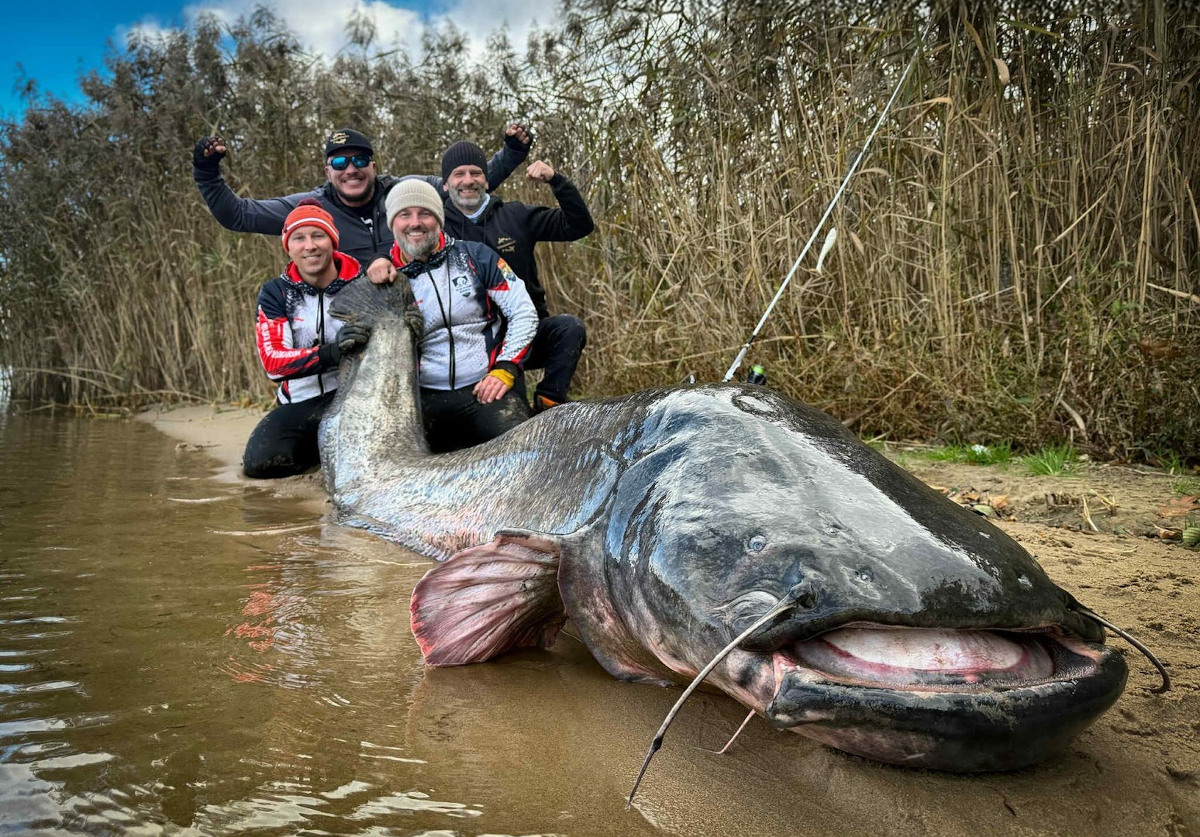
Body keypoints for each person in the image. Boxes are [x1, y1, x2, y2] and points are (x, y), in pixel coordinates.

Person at [367, 140, 593, 413]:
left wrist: (557, 181)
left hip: (523, 326)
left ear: (486, 179)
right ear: (446, 185)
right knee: (506, 407)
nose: (468, 181)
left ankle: (549, 402)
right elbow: (401, 238)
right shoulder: (434, 225)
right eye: (458, 174)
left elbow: (579, 226)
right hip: (475, 338)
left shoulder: (516, 215)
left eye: (476, 173)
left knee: (569, 328)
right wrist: (378, 259)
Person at [193, 125, 532, 267]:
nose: (350, 169)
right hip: (352, 322)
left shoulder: (405, 191)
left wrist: (512, 152)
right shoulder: (312, 207)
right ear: (328, 170)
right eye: (340, 162)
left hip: (418, 313)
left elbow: (463, 186)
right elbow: (238, 215)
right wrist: (207, 172)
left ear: (373, 164)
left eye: (359, 160)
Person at [382, 179, 539, 452]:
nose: (415, 223)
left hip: (484, 388)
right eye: (404, 215)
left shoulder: (476, 256)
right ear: (392, 223)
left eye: (425, 214)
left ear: (439, 219)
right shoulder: (383, 278)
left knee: (520, 450)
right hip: (422, 398)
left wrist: (506, 368)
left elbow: (523, 311)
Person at [242, 199, 371, 478]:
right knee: (261, 463)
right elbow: (272, 363)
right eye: (299, 238)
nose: (309, 246)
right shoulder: (275, 293)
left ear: (332, 241)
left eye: (318, 236)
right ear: (288, 247)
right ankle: (318, 455)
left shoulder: (363, 283)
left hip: (355, 399)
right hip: (300, 403)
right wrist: (332, 353)